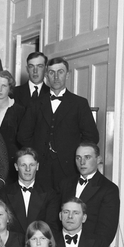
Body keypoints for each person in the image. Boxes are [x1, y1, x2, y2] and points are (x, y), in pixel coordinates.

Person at [16, 57, 99, 189]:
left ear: (67, 75)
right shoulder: (35, 103)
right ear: (46, 75)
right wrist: (37, 155)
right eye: (51, 72)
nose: (56, 77)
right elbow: (23, 136)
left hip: (69, 168)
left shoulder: (79, 103)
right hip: (40, 169)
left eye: (60, 72)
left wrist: (73, 155)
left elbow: (92, 137)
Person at [60, 141, 120, 247]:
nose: (82, 162)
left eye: (87, 157)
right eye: (78, 158)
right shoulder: (65, 184)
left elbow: (107, 231)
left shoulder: (109, 189)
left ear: (98, 159)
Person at [2, 148, 60, 237]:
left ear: (37, 166)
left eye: (31, 165)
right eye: (23, 165)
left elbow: (51, 227)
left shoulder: (50, 194)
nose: (28, 169)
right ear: (16, 167)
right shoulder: (3, 194)